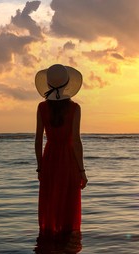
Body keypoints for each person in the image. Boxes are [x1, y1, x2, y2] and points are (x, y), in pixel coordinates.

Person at [34, 64, 88, 241]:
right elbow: (76, 141)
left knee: (51, 202)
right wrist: (82, 171)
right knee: (68, 202)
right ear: (67, 85)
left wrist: (40, 167)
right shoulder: (74, 108)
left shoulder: (42, 108)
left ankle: (49, 245)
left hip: (49, 158)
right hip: (68, 160)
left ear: (48, 85)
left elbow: (38, 140)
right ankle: (68, 246)